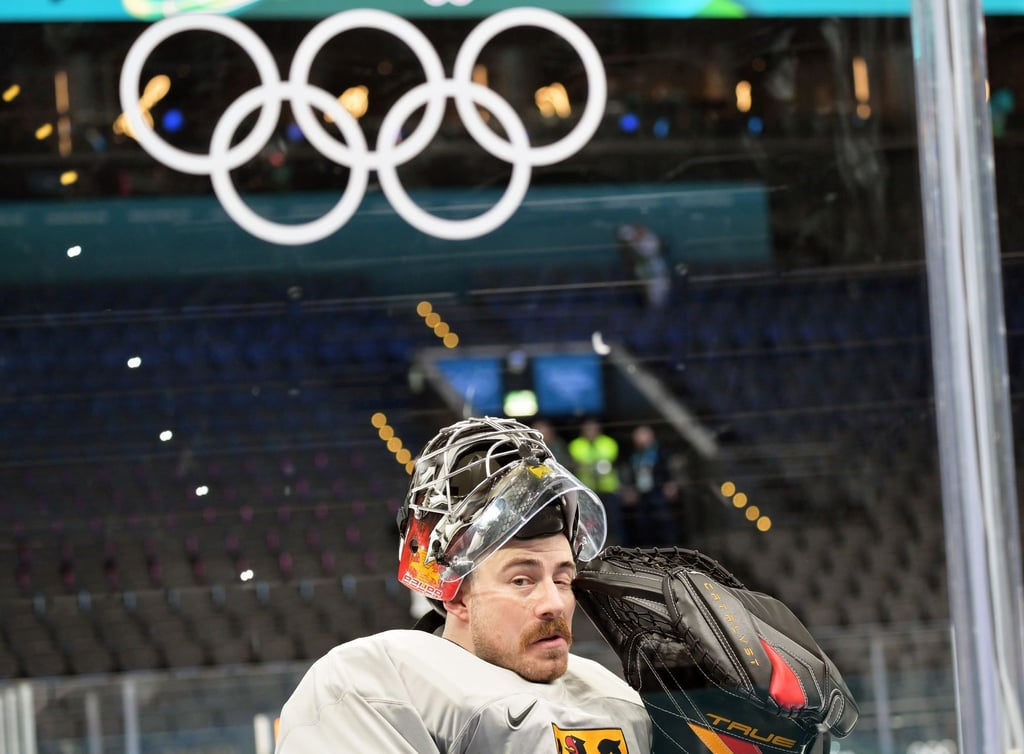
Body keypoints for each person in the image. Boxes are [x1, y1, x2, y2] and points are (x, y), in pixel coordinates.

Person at [275, 417, 653, 753]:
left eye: (562, 578)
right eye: (521, 580)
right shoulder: (370, 686)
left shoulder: (616, 699)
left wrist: (701, 705)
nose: (553, 603)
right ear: (455, 595)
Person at [568, 418, 626, 546]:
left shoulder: (609, 443)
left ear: (599, 430)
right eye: (587, 429)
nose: (590, 431)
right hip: (588, 490)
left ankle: (617, 547)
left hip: (608, 488)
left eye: (593, 429)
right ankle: (591, 546)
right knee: (590, 521)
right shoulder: (576, 445)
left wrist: (587, 464)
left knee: (613, 520)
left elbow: (611, 462)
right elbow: (576, 463)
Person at [619, 424, 678, 546]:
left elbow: (668, 470)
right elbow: (630, 474)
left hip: (658, 492)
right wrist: (630, 489)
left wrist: (670, 484)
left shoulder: (660, 452)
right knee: (644, 526)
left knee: (663, 523)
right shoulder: (634, 456)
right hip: (642, 494)